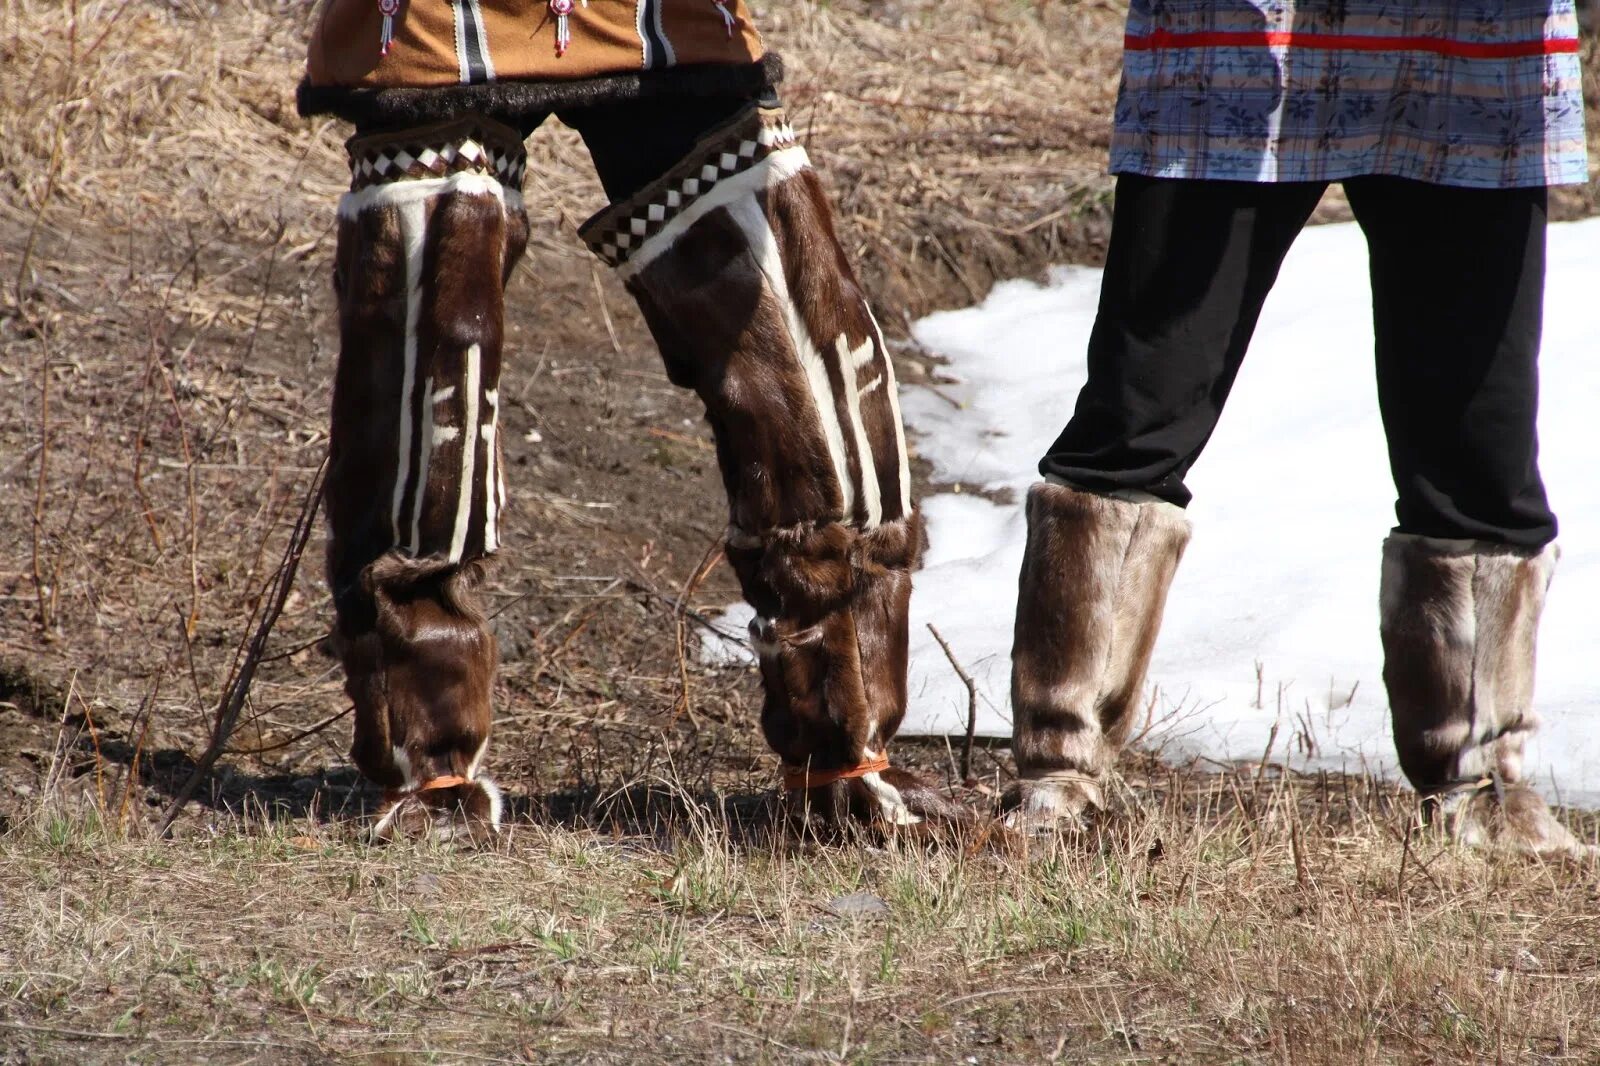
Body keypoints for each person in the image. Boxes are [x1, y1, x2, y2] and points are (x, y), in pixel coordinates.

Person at [297, 1, 932, 838]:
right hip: (437, 24)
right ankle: (425, 772)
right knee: (425, 358)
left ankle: (848, 761)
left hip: (662, 20)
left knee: (808, 356)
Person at [1006, 0, 1591, 854]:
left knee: (1479, 440)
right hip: (1243, 35)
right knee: (1141, 405)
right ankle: (1059, 773)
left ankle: (1484, 792)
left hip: (1466, 42)